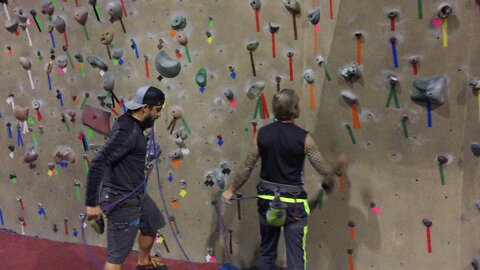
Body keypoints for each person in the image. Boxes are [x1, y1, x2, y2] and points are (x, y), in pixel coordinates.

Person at [222, 89, 347, 270]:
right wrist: (338, 165)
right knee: (296, 258)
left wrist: (231, 190)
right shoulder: (305, 138)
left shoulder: (262, 134)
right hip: (294, 204)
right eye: (297, 103)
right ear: (294, 109)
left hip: (268, 202)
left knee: (266, 253)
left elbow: (247, 166)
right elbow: (324, 169)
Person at [85, 86, 168, 270]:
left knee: (152, 222)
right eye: (158, 110)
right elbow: (98, 162)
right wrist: (92, 204)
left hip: (136, 193)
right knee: (117, 256)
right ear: (145, 108)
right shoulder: (127, 132)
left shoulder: (130, 122)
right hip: (120, 199)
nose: (159, 115)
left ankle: (143, 263)